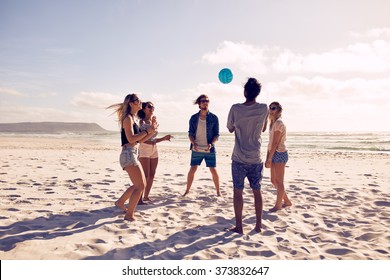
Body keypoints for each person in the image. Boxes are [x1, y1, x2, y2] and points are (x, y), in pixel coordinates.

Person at [227, 78, 268, 234]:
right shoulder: (264, 108)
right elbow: (263, 129)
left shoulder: (235, 109)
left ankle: (239, 226)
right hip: (256, 157)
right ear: (257, 93)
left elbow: (230, 128)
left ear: (245, 92)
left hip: (239, 157)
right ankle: (258, 225)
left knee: (238, 191)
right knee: (257, 190)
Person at [107, 93, 158, 221]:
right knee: (141, 186)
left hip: (132, 152)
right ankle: (129, 215)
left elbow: (138, 141)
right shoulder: (127, 118)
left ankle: (120, 202)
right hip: (128, 154)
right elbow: (130, 139)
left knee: (140, 184)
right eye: (138, 101)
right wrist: (147, 131)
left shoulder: (133, 119)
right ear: (131, 103)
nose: (140, 102)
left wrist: (151, 131)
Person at [183, 94, 220, 197]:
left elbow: (216, 134)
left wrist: (211, 144)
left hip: (209, 149)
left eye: (207, 101)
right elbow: (190, 133)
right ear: (199, 104)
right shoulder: (194, 118)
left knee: (213, 169)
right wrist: (193, 143)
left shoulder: (214, 118)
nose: (205, 102)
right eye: (203, 101)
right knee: (193, 169)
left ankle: (218, 192)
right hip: (196, 148)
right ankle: (187, 190)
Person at [137, 101, 173, 203]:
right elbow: (141, 139)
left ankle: (146, 196)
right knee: (145, 175)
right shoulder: (140, 122)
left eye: (153, 106)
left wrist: (164, 138)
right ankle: (138, 198)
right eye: (149, 106)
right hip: (144, 148)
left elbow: (153, 139)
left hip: (154, 149)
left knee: (152, 174)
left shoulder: (154, 122)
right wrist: (152, 127)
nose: (152, 108)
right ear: (144, 109)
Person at [265, 102, 292, 212]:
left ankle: (278, 205)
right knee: (273, 180)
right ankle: (286, 201)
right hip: (273, 153)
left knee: (279, 181)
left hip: (279, 153)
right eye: (270, 108)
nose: (271, 110)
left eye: (273, 108)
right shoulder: (272, 123)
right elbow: (270, 143)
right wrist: (267, 156)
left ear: (279, 110)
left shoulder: (278, 123)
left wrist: (269, 158)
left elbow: (275, 143)